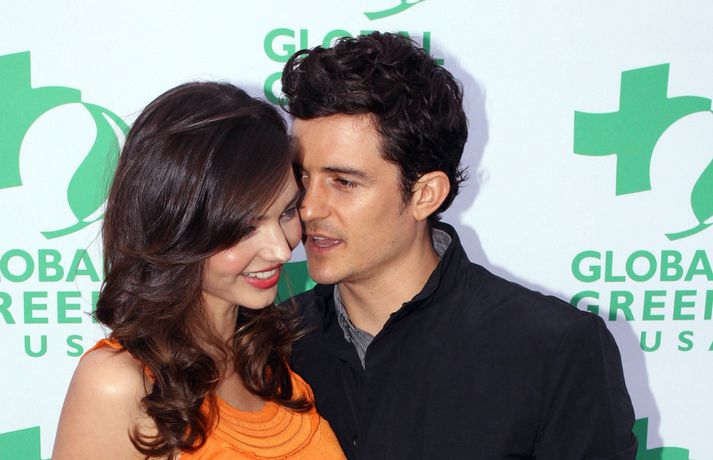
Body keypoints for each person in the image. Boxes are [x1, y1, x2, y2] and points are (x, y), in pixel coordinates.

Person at [281, 32, 637, 459]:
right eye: (302, 177)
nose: (308, 207)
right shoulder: (264, 344)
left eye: (343, 182)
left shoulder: (554, 349)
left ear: (424, 194)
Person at [52, 82, 345, 459]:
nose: (281, 249)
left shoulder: (278, 361)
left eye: (287, 212)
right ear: (176, 227)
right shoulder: (119, 384)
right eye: (246, 227)